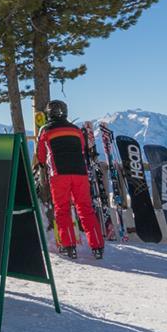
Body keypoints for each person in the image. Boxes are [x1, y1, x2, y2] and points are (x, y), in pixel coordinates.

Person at [35, 99, 103, 261]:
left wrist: (42, 165)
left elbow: (40, 156)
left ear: (49, 113)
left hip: (59, 174)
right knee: (86, 209)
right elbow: (82, 148)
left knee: (62, 210)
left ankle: (69, 246)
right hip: (80, 173)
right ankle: (97, 247)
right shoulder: (76, 130)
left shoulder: (45, 129)